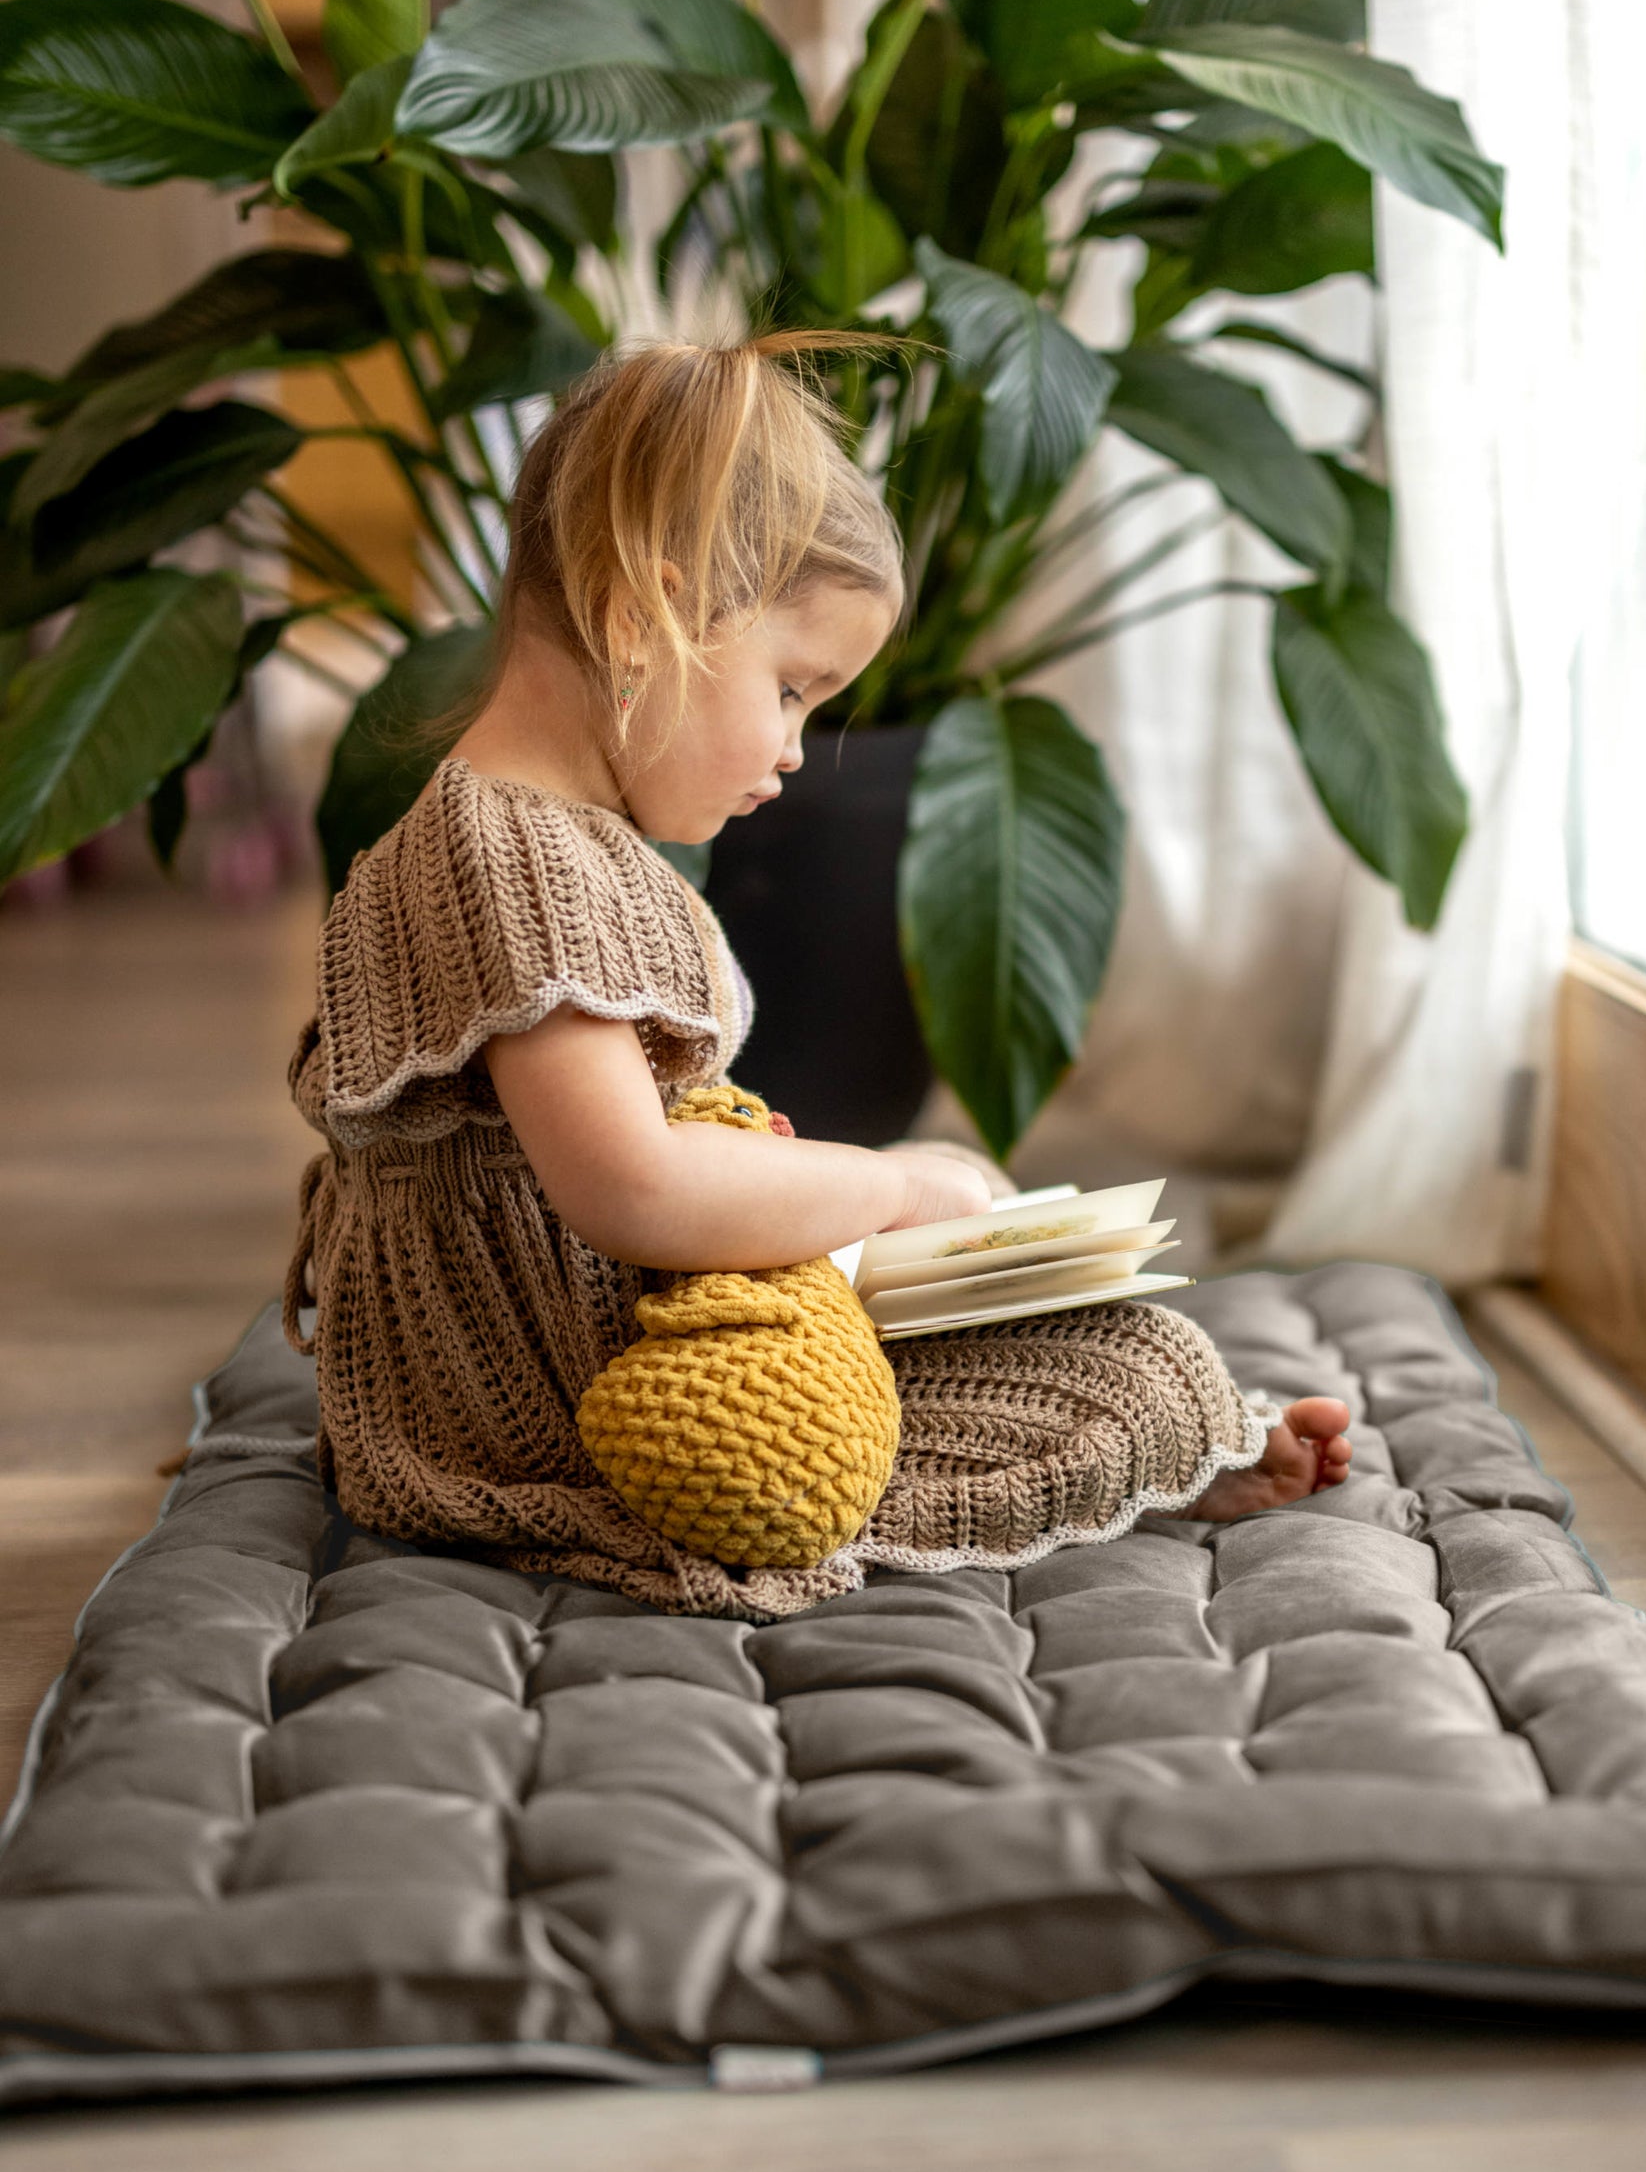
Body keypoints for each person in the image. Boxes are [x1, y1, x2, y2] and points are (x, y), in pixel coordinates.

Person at [284, 336, 1352, 1618]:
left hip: (632, 1327)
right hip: (559, 1401)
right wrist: (893, 1184)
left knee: (1067, 1331)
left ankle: (1169, 1435)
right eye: (788, 689)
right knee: (1126, 1374)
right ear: (644, 620)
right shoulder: (513, 863)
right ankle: (1174, 1454)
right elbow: (632, 1185)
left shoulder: (535, 837)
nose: (796, 748)